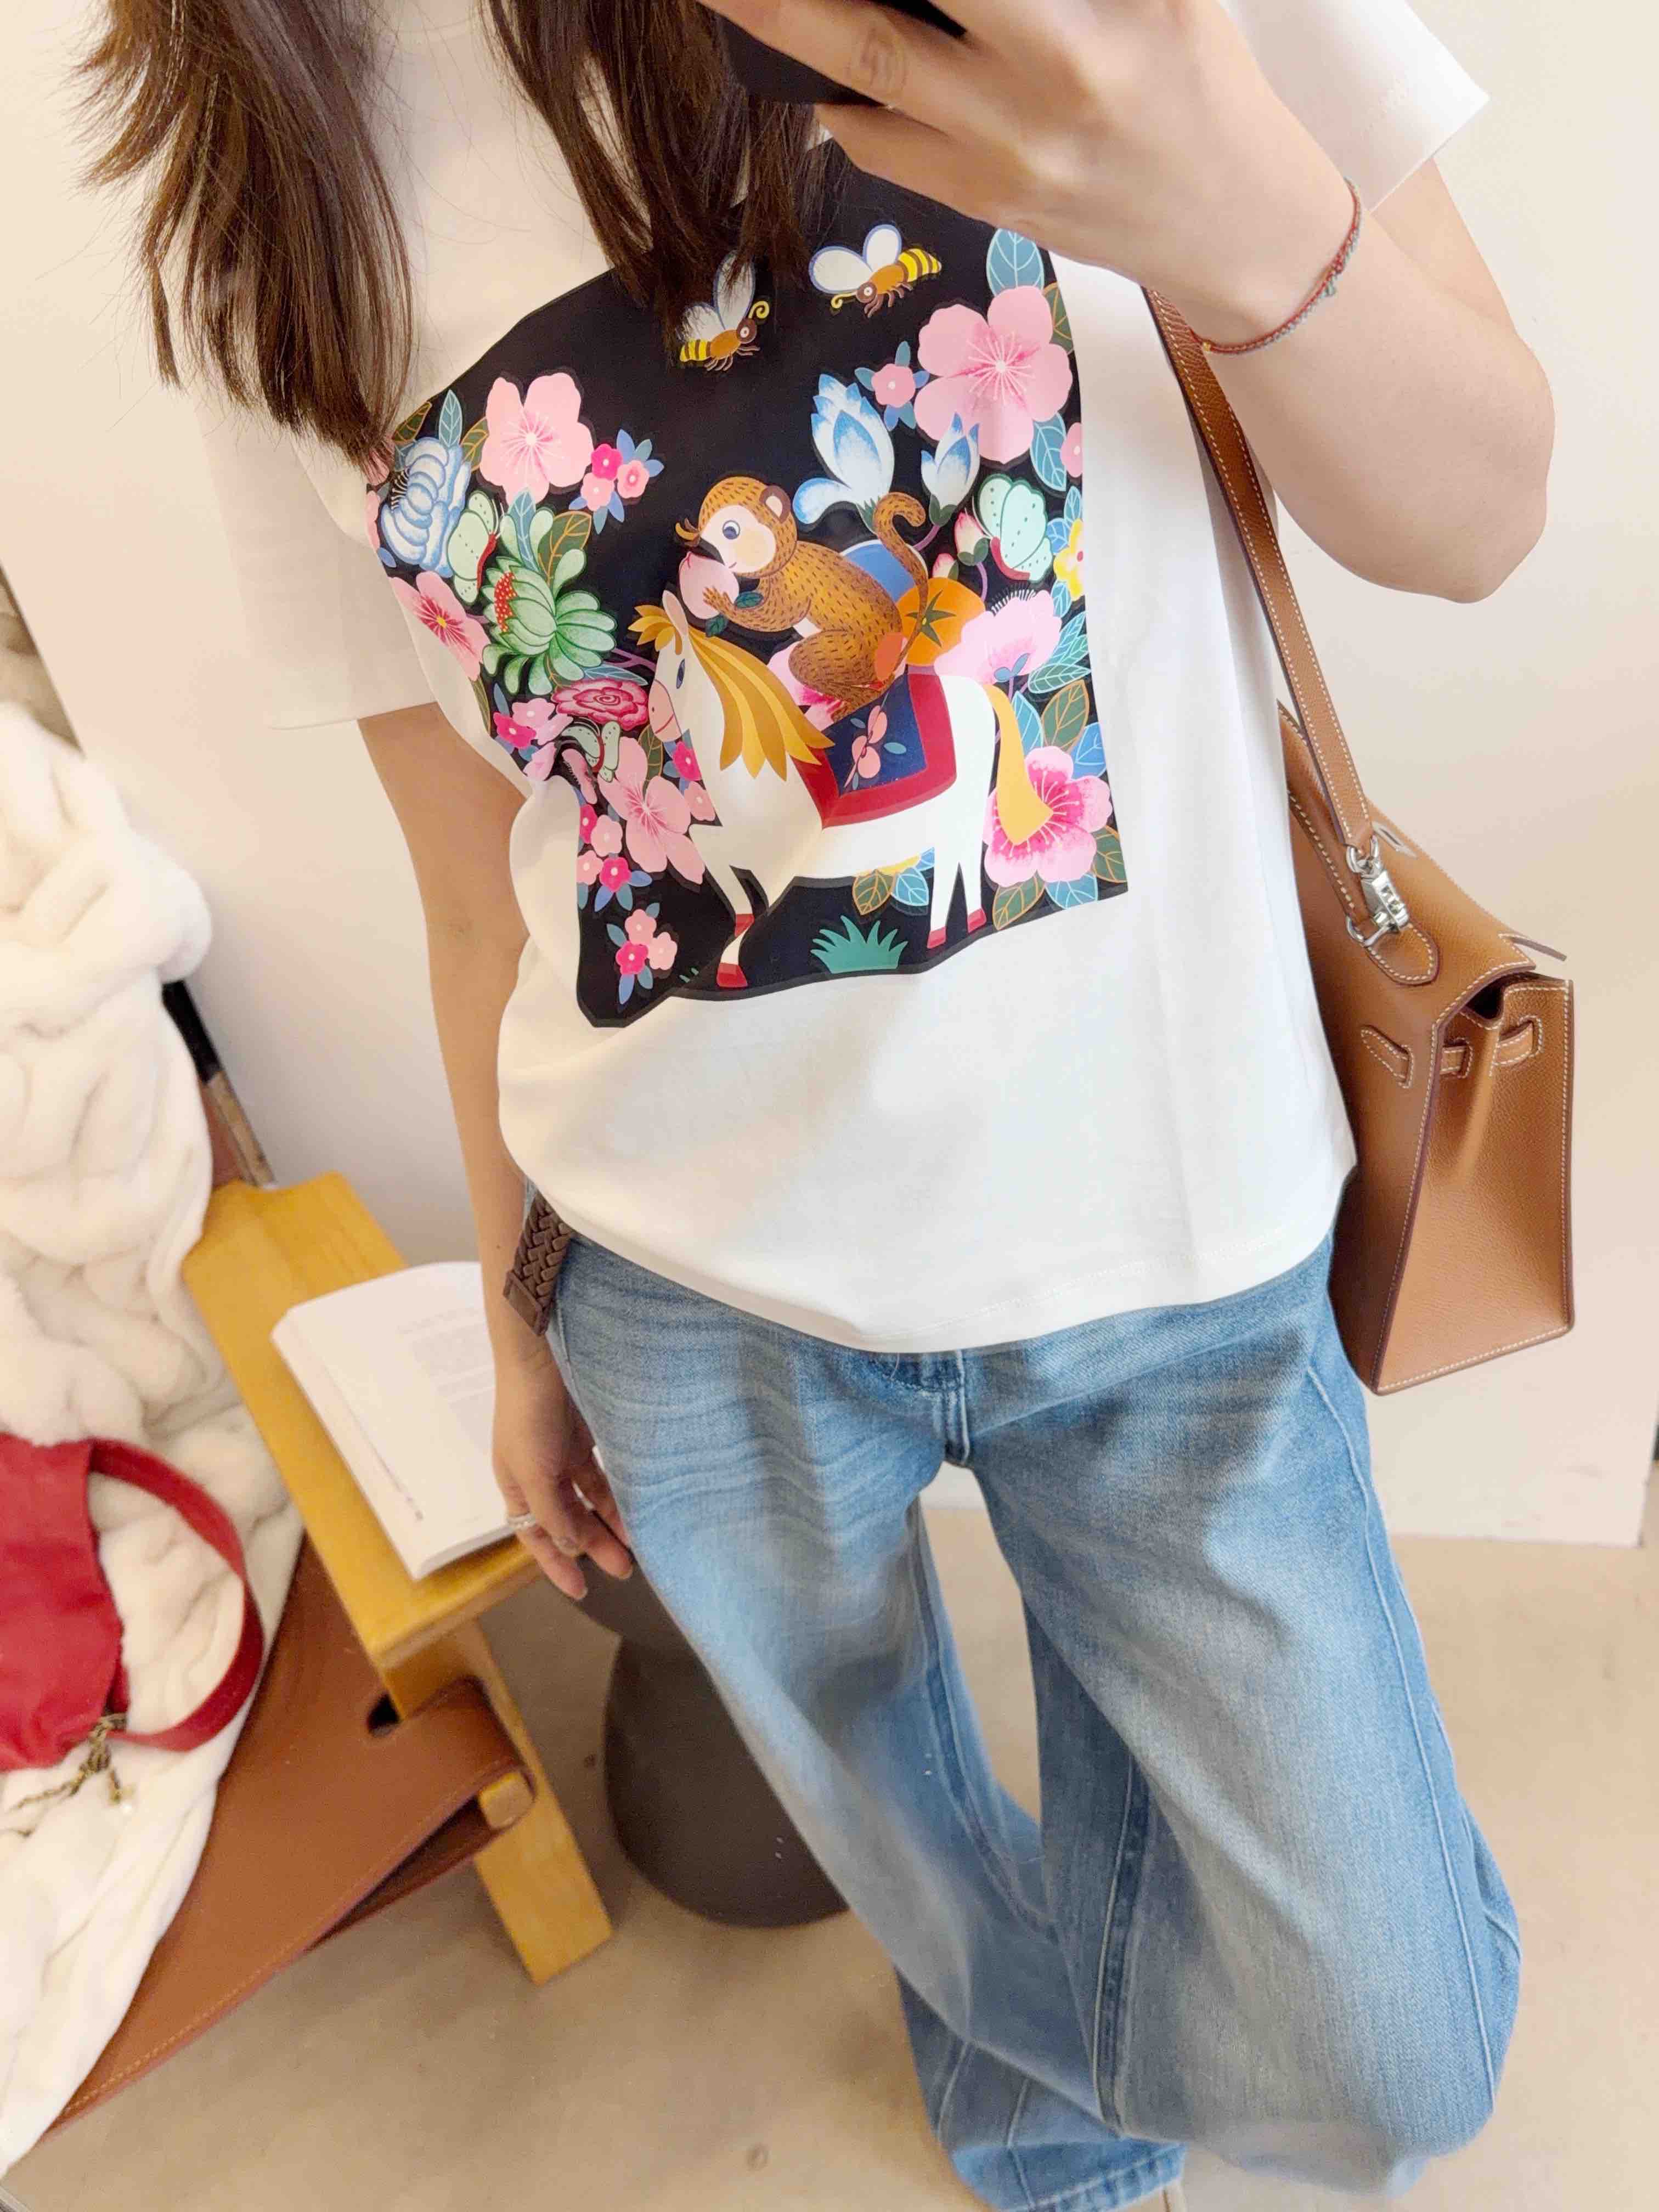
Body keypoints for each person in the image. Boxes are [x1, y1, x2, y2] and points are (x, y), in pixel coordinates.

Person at [87, 3, 1550, 2205]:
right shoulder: (266, 153)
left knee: (1394, 2049)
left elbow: (1484, 514)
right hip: (679, 1291)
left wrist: (1235, 210)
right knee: (913, 1850)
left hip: (1171, 1223)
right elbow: (479, 895)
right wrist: (515, 1315)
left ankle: (1085, 2064)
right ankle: (1037, 2111)